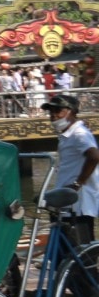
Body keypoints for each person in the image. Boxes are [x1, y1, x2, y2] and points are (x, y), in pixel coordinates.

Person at [46, 93, 99, 245]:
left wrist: (77, 183)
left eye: (58, 111)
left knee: (80, 253)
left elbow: (94, 156)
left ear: (71, 112)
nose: (53, 115)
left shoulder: (79, 133)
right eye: (51, 112)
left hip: (78, 203)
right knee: (66, 251)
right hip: (66, 202)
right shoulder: (68, 135)